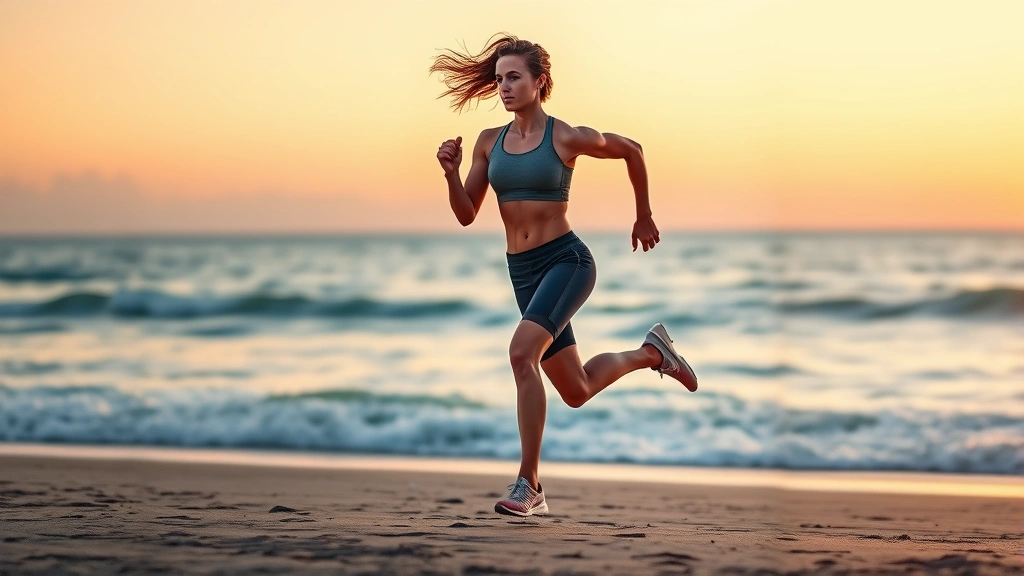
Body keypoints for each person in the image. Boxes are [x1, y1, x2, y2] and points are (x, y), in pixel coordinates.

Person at [430, 34, 698, 517]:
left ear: (539, 82)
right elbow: (467, 213)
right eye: (499, 79)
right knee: (575, 390)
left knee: (520, 353)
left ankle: (527, 484)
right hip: (523, 273)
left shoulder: (564, 136)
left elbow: (632, 149)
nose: (505, 87)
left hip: (567, 262)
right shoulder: (490, 143)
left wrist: (643, 214)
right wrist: (450, 172)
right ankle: (651, 353)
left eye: (514, 77)